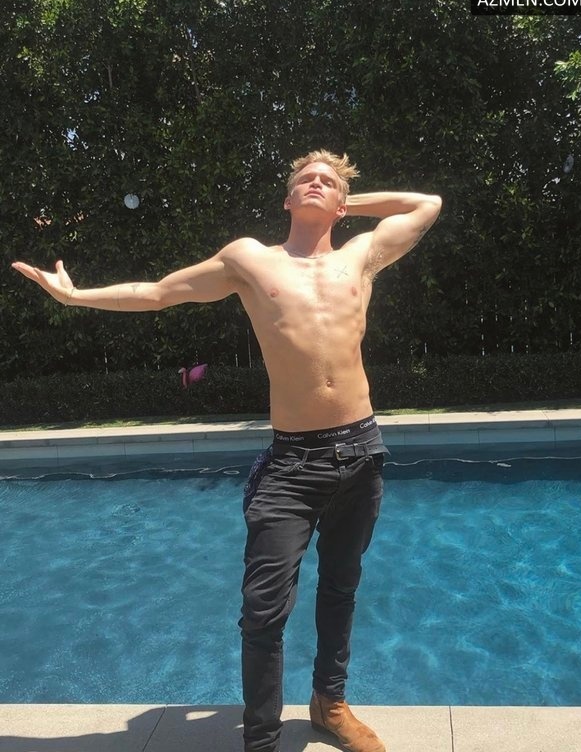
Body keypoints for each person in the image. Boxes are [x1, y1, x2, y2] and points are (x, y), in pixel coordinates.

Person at [12, 150, 442, 752]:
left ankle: (330, 704)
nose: (316, 184)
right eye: (305, 180)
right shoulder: (250, 259)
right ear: (286, 199)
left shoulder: (361, 254)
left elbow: (427, 204)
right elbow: (159, 293)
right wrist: (78, 297)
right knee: (263, 611)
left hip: (360, 448)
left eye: (328, 183)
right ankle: (261, 740)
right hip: (292, 462)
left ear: (342, 205)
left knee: (341, 588)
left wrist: (347, 201)